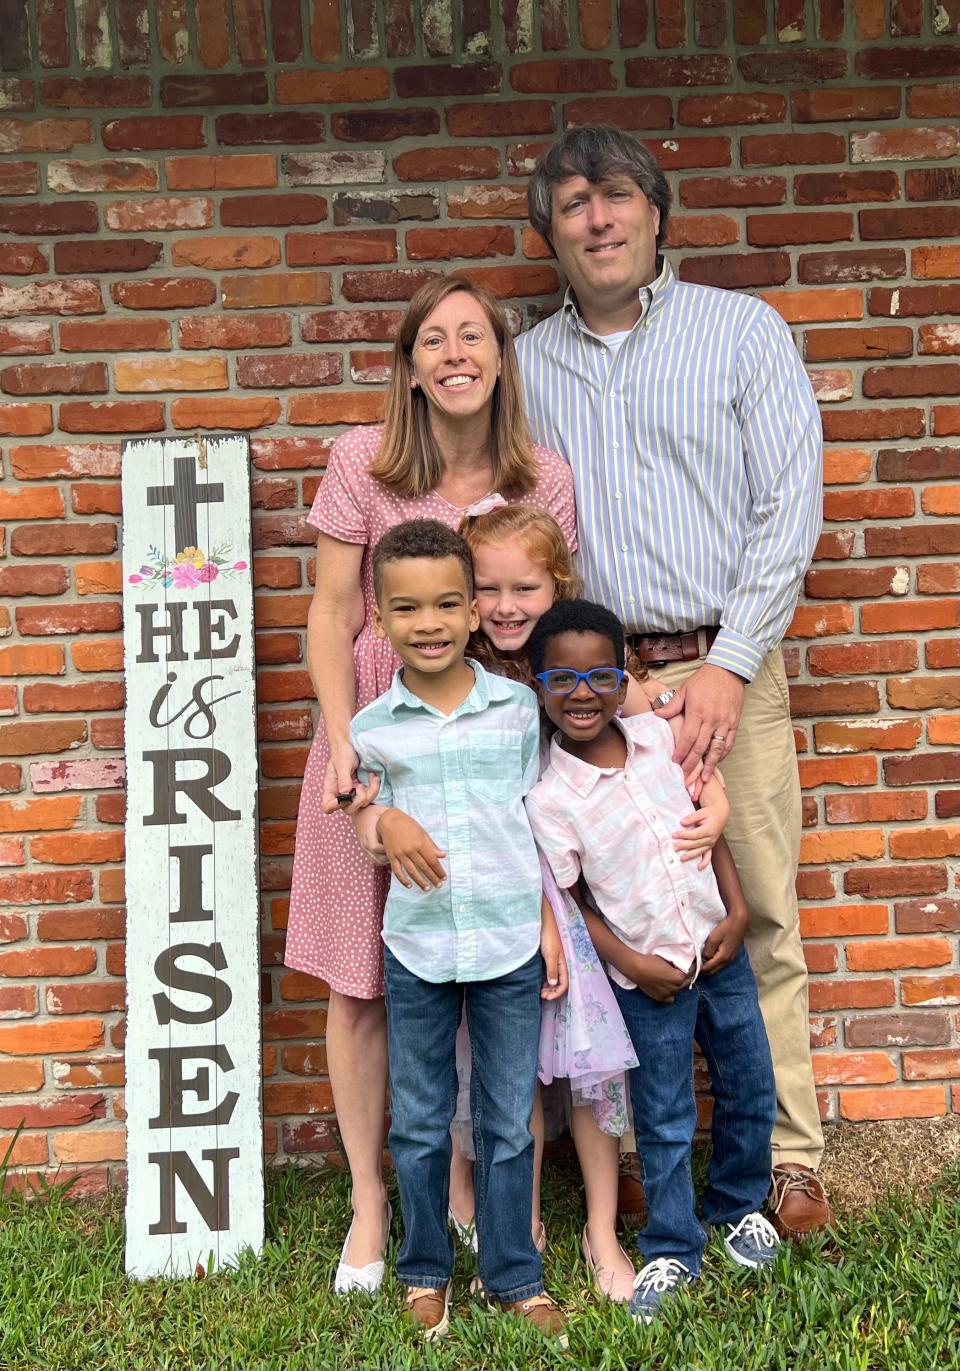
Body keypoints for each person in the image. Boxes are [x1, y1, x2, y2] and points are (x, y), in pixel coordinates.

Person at [516, 124, 831, 1238]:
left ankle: (790, 1162)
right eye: (571, 206)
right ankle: (651, 1159)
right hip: (595, 691)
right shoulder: (524, 364)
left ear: (656, 212)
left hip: (723, 664)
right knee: (618, 919)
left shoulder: (742, 333)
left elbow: (788, 507)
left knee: (764, 918)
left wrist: (733, 665)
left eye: (614, 197)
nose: (596, 219)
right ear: (549, 236)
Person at [284, 276, 576, 1294]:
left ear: (500, 358)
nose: (456, 353)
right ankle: (372, 1200)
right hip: (373, 726)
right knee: (364, 976)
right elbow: (329, 611)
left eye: (475, 336)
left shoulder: (544, 477)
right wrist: (341, 747)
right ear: (410, 363)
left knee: (481, 957)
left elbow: (551, 622)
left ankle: (469, 1182)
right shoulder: (362, 461)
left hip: (487, 738)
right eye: (433, 339)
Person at [525, 599, 781, 1322]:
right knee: (664, 1115)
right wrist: (634, 963)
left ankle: (738, 1205)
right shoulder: (551, 798)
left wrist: (736, 912)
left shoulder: (657, 742)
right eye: (563, 679)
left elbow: (710, 832)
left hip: (719, 952)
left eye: (601, 675)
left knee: (750, 1083)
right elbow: (574, 904)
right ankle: (672, 1241)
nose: (583, 693)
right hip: (648, 982)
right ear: (537, 682)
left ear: (623, 677)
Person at [349, 519, 567, 1344]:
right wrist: (386, 821)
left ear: (475, 611)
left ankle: (514, 1273)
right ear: (381, 616)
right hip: (422, 946)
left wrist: (548, 921)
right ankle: (425, 1268)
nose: (430, 622)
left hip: (509, 936)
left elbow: (533, 823)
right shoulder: (374, 726)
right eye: (408, 608)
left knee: (511, 1116)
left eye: (447, 603)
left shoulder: (516, 709)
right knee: (420, 1114)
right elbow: (362, 818)